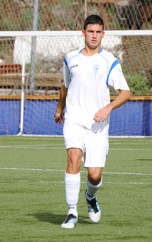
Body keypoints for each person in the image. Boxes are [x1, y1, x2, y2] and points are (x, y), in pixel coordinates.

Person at [54, 14, 131, 229]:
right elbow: (66, 87)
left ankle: (90, 196)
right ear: (83, 33)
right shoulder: (71, 58)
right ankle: (71, 212)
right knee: (73, 160)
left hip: (98, 125)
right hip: (74, 119)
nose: (94, 36)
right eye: (91, 32)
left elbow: (125, 92)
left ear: (103, 34)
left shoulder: (109, 61)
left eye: (98, 32)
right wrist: (60, 108)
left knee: (94, 175)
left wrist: (108, 108)